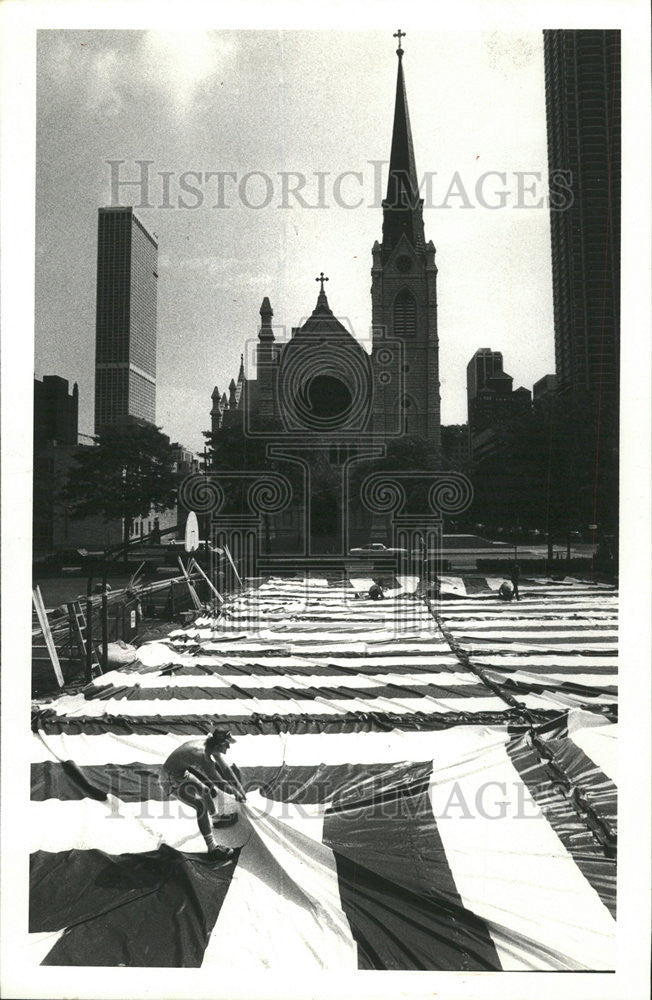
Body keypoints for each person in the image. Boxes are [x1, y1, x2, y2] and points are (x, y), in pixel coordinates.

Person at [163, 728, 247, 858]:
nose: (229, 747)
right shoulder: (202, 754)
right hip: (169, 779)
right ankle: (212, 847)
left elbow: (225, 769)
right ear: (219, 744)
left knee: (205, 790)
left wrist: (239, 788)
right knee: (200, 805)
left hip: (180, 773)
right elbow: (219, 782)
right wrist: (236, 793)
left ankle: (216, 818)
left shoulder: (211, 744)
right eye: (227, 744)